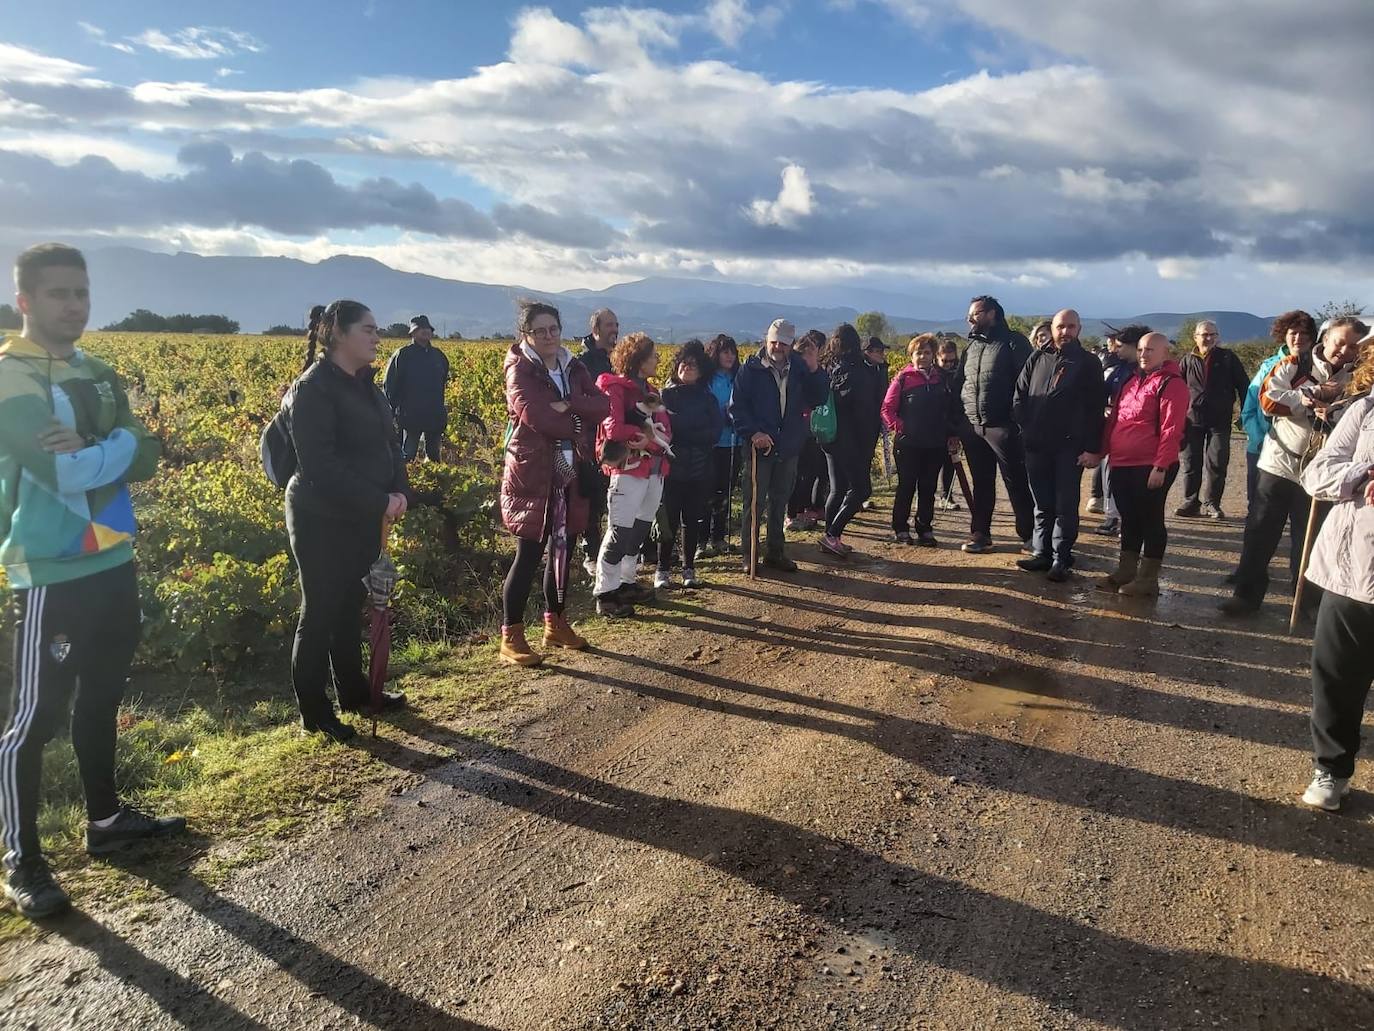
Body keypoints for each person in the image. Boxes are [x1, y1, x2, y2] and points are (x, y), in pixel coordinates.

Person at [0, 243, 184, 920]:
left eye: (80, 292)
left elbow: (151, 454)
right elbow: (66, 474)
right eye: (57, 294)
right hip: (51, 568)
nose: (73, 304)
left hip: (113, 557)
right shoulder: (10, 377)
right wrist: (119, 449)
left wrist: (109, 450)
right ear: (24, 300)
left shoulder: (99, 370)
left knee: (100, 697)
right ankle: (21, 857)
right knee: (33, 718)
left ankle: (105, 821)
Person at [284, 301, 411, 740]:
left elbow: (391, 446)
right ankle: (315, 714)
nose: (378, 337)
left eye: (377, 329)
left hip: (363, 513)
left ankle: (354, 693)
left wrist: (399, 492)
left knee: (349, 604)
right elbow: (319, 465)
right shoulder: (314, 389)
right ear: (338, 334)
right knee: (320, 609)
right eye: (368, 329)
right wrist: (378, 499)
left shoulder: (368, 386)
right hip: (320, 515)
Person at [1219, 317, 1364, 616]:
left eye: (1352, 346)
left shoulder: (1360, 376)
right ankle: (1246, 595)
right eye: (1340, 342)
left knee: (1310, 537)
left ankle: (1306, 603)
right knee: (1260, 530)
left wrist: (1334, 413)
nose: (1344, 350)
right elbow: (1268, 399)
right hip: (1279, 463)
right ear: (1325, 339)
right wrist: (1309, 398)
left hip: (1323, 472)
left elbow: (1362, 415)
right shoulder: (1295, 364)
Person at [498, 300, 608, 665]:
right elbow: (539, 419)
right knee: (528, 553)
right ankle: (511, 635)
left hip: (570, 470)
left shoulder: (572, 366)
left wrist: (568, 403)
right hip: (532, 473)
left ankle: (555, 623)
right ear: (525, 334)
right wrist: (575, 417)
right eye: (540, 331)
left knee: (563, 551)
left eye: (554, 329)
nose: (548, 336)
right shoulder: (519, 369)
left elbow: (602, 405)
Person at [1297, 342, 1374, 811]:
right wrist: (1363, 475)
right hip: (1351, 572)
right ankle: (1332, 768)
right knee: (1336, 681)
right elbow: (1317, 473)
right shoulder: (1366, 409)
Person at [728, 318, 829, 574]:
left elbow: (819, 398)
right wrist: (753, 433)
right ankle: (749, 556)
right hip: (759, 448)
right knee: (754, 504)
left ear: (791, 344)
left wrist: (815, 367)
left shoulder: (800, 368)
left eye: (783, 343)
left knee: (780, 501)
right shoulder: (750, 369)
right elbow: (736, 408)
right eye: (773, 341)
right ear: (767, 339)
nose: (777, 347)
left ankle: (775, 552)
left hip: (789, 446)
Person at [1092, 332, 1189, 596]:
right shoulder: (1131, 379)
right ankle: (1126, 571)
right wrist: (1101, 452)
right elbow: (1115, 420)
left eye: (1151, 350)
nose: (1144, 354)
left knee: (1150, 519)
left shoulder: (1171, 384)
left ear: (1165, 353)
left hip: (1151, 464)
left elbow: (1172, 428)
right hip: (1122, 462)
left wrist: (1161, 465)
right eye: (1142, 349)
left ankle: (1148, 580)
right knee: (1129, 519)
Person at [1012, 309, 1105, 581]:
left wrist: (1092, 447)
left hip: (1070, 447)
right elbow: (1019, 395)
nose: (1065, 332)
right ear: (1052, 329)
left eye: (1071, 327)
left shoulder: (1088, 363)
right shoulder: (1037, 357)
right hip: (1036, 445)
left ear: (1079, 329)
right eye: (1061, 327)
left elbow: (1095, 408)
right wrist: (1025, 429)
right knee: (1042, 503)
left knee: (1065, 504)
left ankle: (1061, 558)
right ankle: (1040, 554)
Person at [593, 332, 671, 615]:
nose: (657, 359)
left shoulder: (651, 390)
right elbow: (613, 430)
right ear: (639, 360)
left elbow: (666, 432)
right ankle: (605, 592)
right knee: (619, 532)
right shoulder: (614, 389)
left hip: (653, 471)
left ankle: (625, 581)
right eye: (653, 355)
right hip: (628, 471)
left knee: (637, 531)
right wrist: (646, 437)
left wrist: (647, 441)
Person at [954, 295, 1035, 553]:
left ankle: (1031, 536)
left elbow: (1027, 385)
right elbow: (959, 384)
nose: (970, 319)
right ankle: (980, 533)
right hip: (973, 426)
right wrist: (957, 423)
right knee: (982, 481)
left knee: (1016, 481)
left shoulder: (1014, 342)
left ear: (991, 314)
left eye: (975, 314)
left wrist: (1016, 420)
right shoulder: (971, 347)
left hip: (1004, 427)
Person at [656, 341, 723, 589]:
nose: (687, 367)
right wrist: (693, 430)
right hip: (671, 468)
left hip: (699, 469)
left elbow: (714, 434)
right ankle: (662, 570)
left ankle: (688, 569)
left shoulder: (708, 399)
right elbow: (665, 431)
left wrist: (682, 428)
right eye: (684, 362)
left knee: (691, 520)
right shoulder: (665, 395)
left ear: (702, 370)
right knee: (668, 520)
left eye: (693, 364)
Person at [882, 334, 958, 546]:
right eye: (918, 353)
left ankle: (925, 528)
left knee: (928, 488)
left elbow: (949, 409)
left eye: (927, 352)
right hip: (908, 445)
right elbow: (887, 409)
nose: (923, 357)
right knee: (906, 487)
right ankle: (901, 528)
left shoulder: (941, 379)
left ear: (933, 355)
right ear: (911, 355)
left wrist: (951, 433)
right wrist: (903, 428)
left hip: (934, 444)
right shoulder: (903, 379)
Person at [820, 324, 886, 558]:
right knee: (861, 489)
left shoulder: (828, 367)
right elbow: (864, 412)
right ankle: (832, 534)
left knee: (837, 489)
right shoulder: (858, 371)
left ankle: (831, 537)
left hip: (829, 436)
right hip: (851, 440)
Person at [1239, 311, 1317, 510]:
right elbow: (1250, 407)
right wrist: (1258, 439)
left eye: (1304, 333)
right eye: (1293, 333)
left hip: (1303, 452)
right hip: (1264, 448)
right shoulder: (1269, 367)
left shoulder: (1320, 368)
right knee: (1260, 509)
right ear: (1284, 335)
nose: (1298, 338)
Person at [1176, 320, 1249, 519]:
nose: (1208, 338)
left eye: (1212, 335)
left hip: (1220, 420)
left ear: (1217, 337)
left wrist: (1245, 413)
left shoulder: (1228, 358)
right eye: (1204, 335)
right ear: (1195, 337)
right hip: (1192, 420)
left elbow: (1244, 385)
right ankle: (1190, 502)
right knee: (1191, 463)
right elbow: (1177, 388)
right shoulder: (1187, 360)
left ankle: (1212, 503)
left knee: (1217, 463)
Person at [1094, 325, 1149, 536]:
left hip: (1140, 441)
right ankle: (1112, 518)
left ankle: (1133, 524)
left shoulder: (1149, 372)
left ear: (1135, 347)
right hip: (1115, 435)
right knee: (1110, 476)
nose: (1115, 351)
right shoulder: (1119, 370)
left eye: (1120, 346)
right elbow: (1101, 394)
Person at [576, 308, 619, 573]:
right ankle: (590, 553)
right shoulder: (583, 363)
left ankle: (609, 551)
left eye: (616, 324)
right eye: (609, 325)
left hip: (615, 438)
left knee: (612, 495)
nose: (615, 329)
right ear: (596, 330)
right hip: (592, 439)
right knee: (591, 498)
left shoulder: (616, 359)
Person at [381, 315, 450, 462]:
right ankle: (404, 483)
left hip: (434, 414)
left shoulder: (439, 356)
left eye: (427, 328)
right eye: (420, 329)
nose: (425, 331)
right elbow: (390, 384)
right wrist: (391, 411)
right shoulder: (402, 355)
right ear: (412, 333)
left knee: (433, 456)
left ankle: (434, 482)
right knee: (407, 455)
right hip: (410, 415)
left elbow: (443, 382)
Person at [701, 334, 742, 555]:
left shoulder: (739, 377)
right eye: (725, 351)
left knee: (724, 492)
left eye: (733, 352)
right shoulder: (707, 379)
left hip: (733, 442)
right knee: (707, 493)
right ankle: (701, 540)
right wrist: (721, 414)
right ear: (716, 354)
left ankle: (718, 537)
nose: (730, 356)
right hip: (711, 444)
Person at [787, 330, 829, 531]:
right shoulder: (790, 373)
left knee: (808, 473)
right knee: (792, 475)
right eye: (803, 354)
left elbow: (820, 397)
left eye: (810, 354)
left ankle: (802, 511)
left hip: (809, 430)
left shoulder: (815, 374)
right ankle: (791, 514)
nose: (806, 358)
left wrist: (814, 368)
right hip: (792, 430)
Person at [935, 339, 963, 511]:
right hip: (934, 425)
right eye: (945, 361)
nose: (948, 364)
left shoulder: (959, 373)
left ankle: (946, 496)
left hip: (953, 424)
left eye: (952, 360)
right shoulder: (933, 374)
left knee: (950, 462)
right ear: (937, 357)